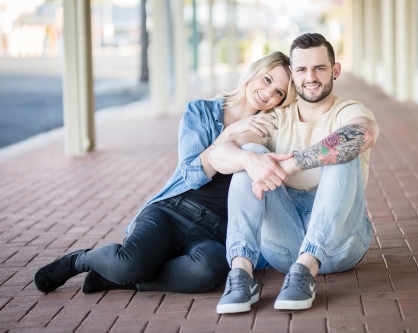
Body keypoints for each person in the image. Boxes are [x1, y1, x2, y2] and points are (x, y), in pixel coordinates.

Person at [33, 51, 296, 294]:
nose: (268, 92)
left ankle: (121, 278)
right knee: (129, 263)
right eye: (267, 79)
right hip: (173, 211)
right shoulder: (200, 111)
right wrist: (229, 133)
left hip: (217, 230)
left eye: (279, 92)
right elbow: (192, 174)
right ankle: (82, 260)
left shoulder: (272, 130)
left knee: (209, 271)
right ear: (253, 72)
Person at [209, 33, 380, 313]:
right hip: (285, 245)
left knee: (341, 150)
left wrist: (293, 163)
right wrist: (248, 159)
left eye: (319, 68)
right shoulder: (276, 118)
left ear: (335, 71)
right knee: (251, 158)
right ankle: (241, 274)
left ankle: (306, 269)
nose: (310, 77)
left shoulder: (349, 111)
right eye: (302, 69)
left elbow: (364, 132)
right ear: (292, 74)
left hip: (342, 244)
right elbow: (218, 154)